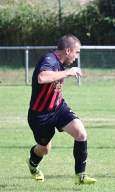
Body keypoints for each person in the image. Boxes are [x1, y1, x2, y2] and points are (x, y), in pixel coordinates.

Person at [26, 35, 97, 185]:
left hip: (58, 108)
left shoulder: (61, 62)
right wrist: (67, 72)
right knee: (44, 150)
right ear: (68, 50)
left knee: (81, 133)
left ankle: (80, 175)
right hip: (40, 116)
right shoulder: (49, 59)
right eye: (76, 53)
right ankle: (33, 164)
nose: (77, 57)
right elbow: (42, 77)